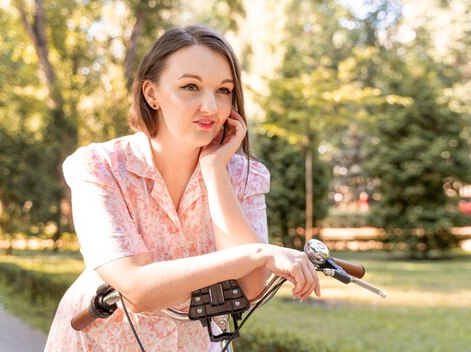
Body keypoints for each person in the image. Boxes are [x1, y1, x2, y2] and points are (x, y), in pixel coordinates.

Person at [45, 25, 320, 351]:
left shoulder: (245, 174)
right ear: (152, 94)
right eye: (191, 86)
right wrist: (257, 253)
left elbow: (249, 285)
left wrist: (215, 170)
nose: (211, 107)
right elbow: (137, 287)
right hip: (102, 342)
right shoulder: (100, 167)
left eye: (223, 90)